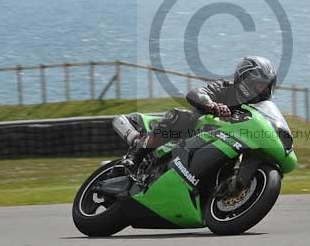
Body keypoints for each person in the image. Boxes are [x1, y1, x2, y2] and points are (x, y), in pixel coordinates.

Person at [114, 56, 278, 170]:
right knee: (178, 116)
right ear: (244, 79)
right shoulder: (225, 89)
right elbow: (196, 93)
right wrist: (212, 105)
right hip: (194, 132)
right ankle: (136, 155)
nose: (261, 90)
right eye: (258, 85)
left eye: (265, 87)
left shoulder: (257, 110)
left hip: (226, 143)